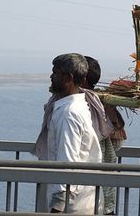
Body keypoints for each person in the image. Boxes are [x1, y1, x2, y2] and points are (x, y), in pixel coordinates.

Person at [40, 53, 102, 214]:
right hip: (83, 199)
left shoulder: (68, 113)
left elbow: (67, 160)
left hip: (71, 205)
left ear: (68, 78)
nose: (51, 77)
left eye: (55, 73)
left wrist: (58, 206)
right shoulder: (80, 105)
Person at [82, 56, 127, 215]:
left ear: (83, 78)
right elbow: (117, 144)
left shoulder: (88, 104)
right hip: (102, 186)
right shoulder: (101, 104)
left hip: (88, 191)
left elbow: (115, 142)